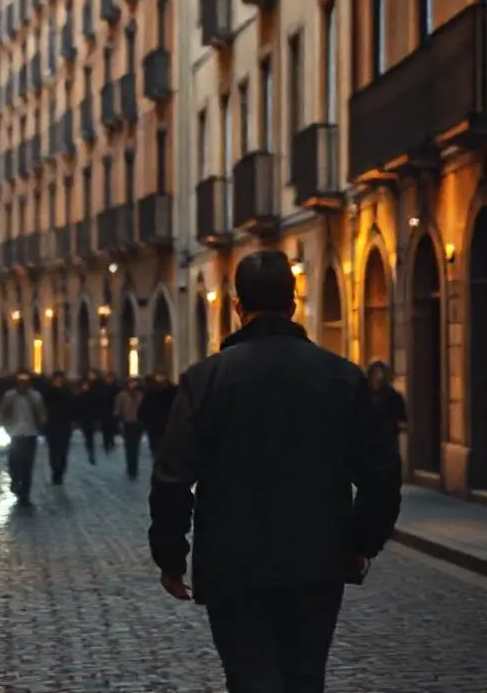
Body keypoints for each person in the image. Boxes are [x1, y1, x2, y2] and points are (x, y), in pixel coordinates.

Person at [148, 250, 403, 692]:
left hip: (232, 563)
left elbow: (172, 479)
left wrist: (171, 557)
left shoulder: (204, 380)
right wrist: (363, 542)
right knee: (305, 678)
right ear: (293, 304)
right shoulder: (341, 377)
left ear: (236, 307)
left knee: (249, 679)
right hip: (317, 558)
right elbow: (381, 472)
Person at [0, 371, 46, 507]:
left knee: (28, 466)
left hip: (30, 434)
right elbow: (2, 410)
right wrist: (0, 422)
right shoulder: (10, 396)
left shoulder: (35, 396)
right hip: (15, 434)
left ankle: (25, 495)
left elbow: (41, 414)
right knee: (14, 462)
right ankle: (15, 481)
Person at [366, 361, 408, 466]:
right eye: (375, 374)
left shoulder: (393, 396)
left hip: (387, 443)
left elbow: (402, 420)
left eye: (380, 374)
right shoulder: (364, 395)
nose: (378, 377)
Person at [41, 371, 78, 484]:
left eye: (60, 380)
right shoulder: (48, 392)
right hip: (52, 424)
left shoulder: (68, 392)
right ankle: (55, 470)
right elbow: (43, 407)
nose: (58, 382)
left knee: (63, 450)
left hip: (64, 424)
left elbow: (74, 407)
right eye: (56, 380)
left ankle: (60, 471)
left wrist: (73, 420)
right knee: (53, 450)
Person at [138, 369, 177, 457]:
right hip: (155, 424)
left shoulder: (172, 390)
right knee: (156, 446)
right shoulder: (151, 391)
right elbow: (144, 406)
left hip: (166, 423)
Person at [114, 376, 145, 480]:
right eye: (131, 383)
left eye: (134, 383)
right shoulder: (122, 395)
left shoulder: (141, 395)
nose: (133, 385)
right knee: (129, 446)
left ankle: (134, 468)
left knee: (135, 445)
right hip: (127, 423)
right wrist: (118, 420)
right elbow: (118, 409)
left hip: (138, 422)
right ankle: (130, 467)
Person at [76, 373, 102, 462]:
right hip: (84, 419)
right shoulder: (80, 396)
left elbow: (97, 406)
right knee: (88, 436)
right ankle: (90, 450)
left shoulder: (93, 395)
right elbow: (77, 408)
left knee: (89, 436)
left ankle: (91, 452)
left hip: (91, 418)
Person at [100, 371, 121, 454]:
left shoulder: (116, 388)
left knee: (111, 427)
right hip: (104, 410)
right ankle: (106, 441)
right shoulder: (102, 387)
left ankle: (110, 440)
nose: (109, 380)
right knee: (105, 428)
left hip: (112, 410)